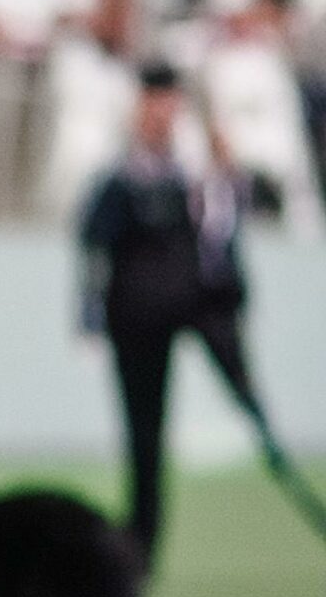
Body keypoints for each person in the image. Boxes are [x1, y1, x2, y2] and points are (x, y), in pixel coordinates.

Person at [76, 60, 278, 560]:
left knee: (249, 399)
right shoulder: (123, 173)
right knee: (145, 430)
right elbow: (94, 246)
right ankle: (143, 539)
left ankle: (289, 478)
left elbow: (224, 238)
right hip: (139, 313)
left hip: (197, 303)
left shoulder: (201, 174)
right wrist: (89, 315)